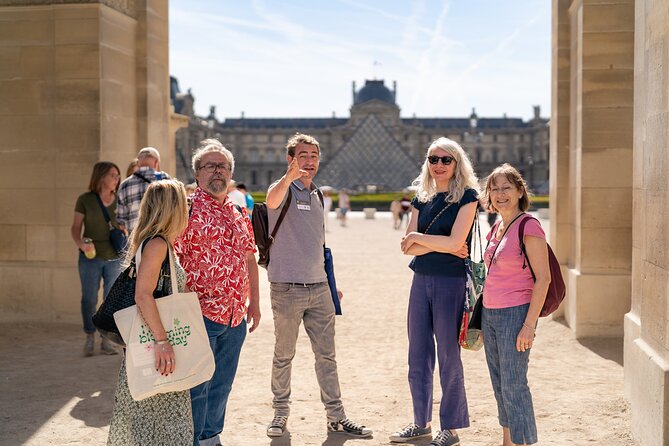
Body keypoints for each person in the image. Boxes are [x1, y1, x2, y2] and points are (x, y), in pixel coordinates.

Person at [264, 133, 372, 439]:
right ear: (291, 159)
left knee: (327, 357)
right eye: (302, 155)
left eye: (313, 156)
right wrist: (288, 176)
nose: (309, 161)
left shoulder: (317, 195)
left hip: (319, 288)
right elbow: (270, 199)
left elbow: (319, 244)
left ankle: (336, 417)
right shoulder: (283, 190)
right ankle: (280, 413)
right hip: (286, 288)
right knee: (284, 355)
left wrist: (329, 283)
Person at [394, 137, 480, 446]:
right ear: (427, 163)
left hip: (450, 282)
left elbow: (456, 243)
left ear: (457, 163)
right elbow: (406, 247)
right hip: (421, 280)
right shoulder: (421, 197)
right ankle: (421, 423)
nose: (439, 165)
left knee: (447, 353)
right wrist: (438, 243)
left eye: (446, 160)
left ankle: (452, 428)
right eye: (433, 159)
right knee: (417, 353)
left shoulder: (468, 196)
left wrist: (421, 239)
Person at [175, 139, 260, 446]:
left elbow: (250, 258)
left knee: (222, 384)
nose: (217, 171)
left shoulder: (239, 211)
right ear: (197, 173)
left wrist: (256, 304)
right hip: (199, 314)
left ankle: (211, 437)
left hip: (236, 313)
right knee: (197, 386)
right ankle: (194, 439)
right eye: (209, 166)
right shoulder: (183, 210)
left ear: (230, 172)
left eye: (222, 166)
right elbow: (172, 263)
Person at [107, 179, 193, 445]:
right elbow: (143, 295)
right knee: (158, 422)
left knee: (149, 421)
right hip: (155, 346)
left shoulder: (156, 242)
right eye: (184, 202)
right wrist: (162, 342)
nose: (188, 207)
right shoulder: (157, 245)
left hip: (151, 345)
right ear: (172, 208)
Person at [480, 164, 550, 446]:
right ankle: (508, 441)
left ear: (520, 191)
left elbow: (543, 279)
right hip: (490, 313)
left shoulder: (528, 225)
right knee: (500, 385)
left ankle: (523, 442)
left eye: (506, 187)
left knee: (515, 385)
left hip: (515, 314)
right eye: (494, 189)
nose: (500, 194)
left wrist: (529, 326)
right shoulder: (497, 226)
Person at [70, 162, 124, 357]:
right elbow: (75, 227)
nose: (116, 179)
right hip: (89, 256)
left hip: (114, 257)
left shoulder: (120, 200)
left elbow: (127, 224)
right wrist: (80, 244)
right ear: (101, 177)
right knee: (89, 299)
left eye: (118, 176)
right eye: (113, 175)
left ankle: (106, 340)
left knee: (110, 300)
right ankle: (90, 335)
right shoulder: (85, 200)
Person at [117, 147, 171, 233]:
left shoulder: (124, 185)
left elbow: (121, 221)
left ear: (138, 163)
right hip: (160, 235)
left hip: (136, 237)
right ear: (156, 162)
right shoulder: (164, 178)